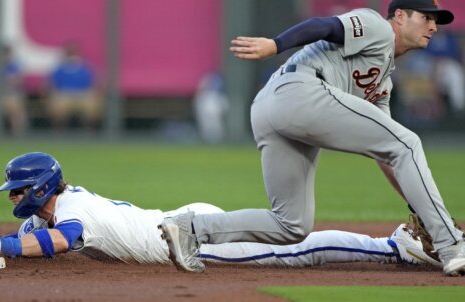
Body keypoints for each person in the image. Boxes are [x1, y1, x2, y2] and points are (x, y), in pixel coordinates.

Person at [157, 0, 465, 276]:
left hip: (270, 109)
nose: (434, 26)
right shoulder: (379, 28)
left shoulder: (382, 85)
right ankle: (451, 246)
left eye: (435, 20)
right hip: (299, 90)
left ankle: (190, 228)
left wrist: (418, 207)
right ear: (399, 15)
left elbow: (387, 155)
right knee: (409, 143)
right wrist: (275, 45)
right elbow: (324, 26)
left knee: (291, 225)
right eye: (426, 17)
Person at [0, 152, 440, 270]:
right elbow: (43, 233)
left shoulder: (71, 211)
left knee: (300, 249)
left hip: (183, 238)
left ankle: (393, 247)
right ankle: (393, 245)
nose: (11, 197)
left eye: (17, 189)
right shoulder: (58, 206)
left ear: (39, 187)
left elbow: (59, 241)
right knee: (291, 244)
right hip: (182, 220)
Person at [46, 42, 102, 131]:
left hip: (83, 94)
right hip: (64, 94)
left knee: (92, 104)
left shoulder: (85, 67)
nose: (71, 54)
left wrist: (94, 93)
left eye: (72, 51)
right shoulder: (59, 68)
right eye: (69, 52)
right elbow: (51, 84)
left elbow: (94, 83)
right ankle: (58, 131)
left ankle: (91, 131)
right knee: (57, 105)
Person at [0, 46, 28, 137]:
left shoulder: (13, 66)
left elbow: (17, 81)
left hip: (9, 95)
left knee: (15, 105)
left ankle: (16, 133)